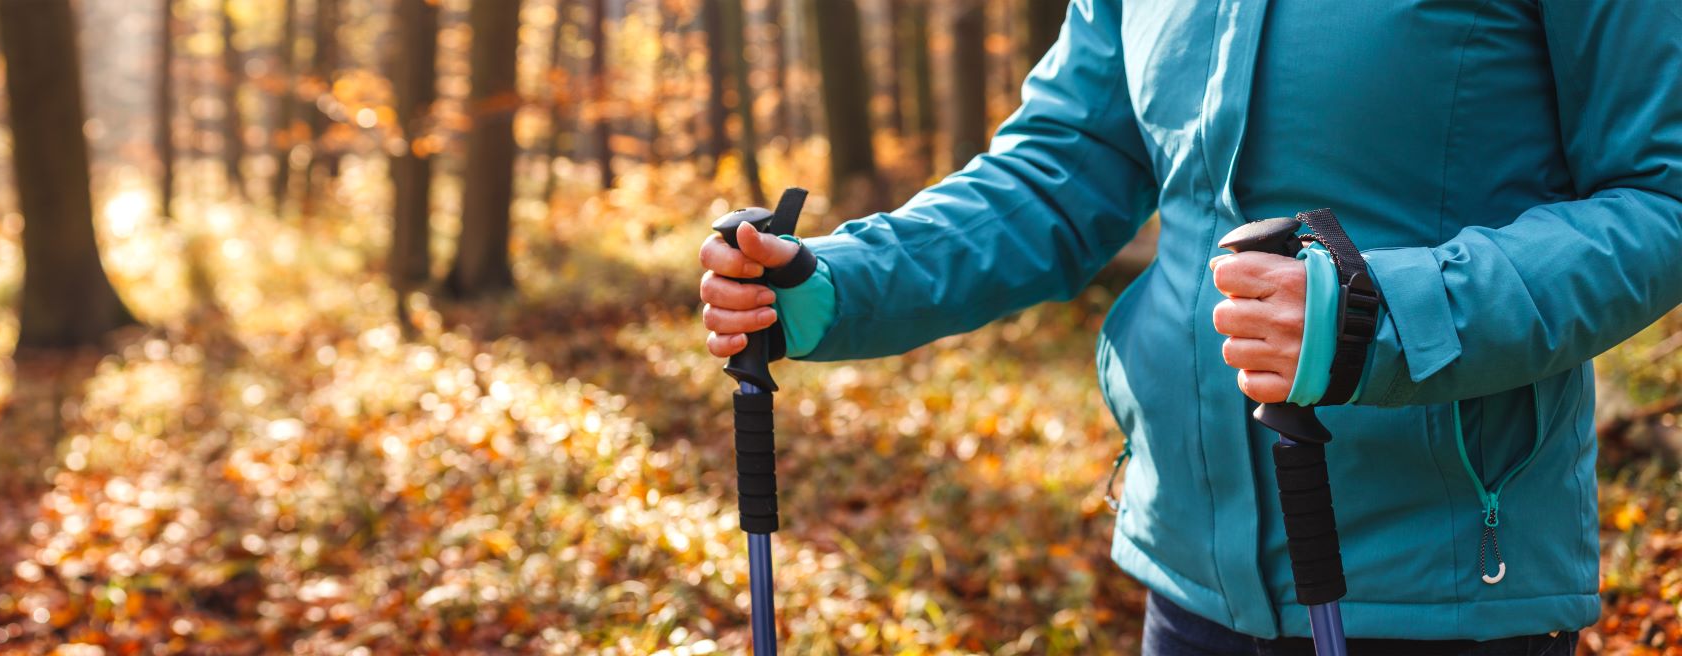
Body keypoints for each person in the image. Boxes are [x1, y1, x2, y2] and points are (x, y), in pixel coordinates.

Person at [696, 1, 1682, 654]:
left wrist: (1388, 312)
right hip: (1189, 578)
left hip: (1439, 584)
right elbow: (1068, 160)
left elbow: (1658, 194)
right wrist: (843, 282)